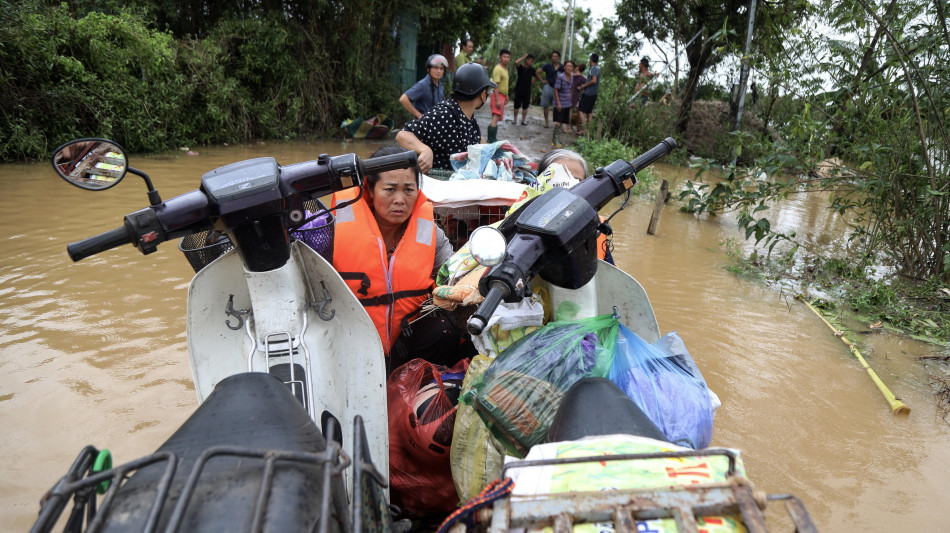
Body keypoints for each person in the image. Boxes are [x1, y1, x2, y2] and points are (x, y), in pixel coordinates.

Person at [331, 146, 471, 372]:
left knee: (444, 332)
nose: (400, 200)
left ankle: (416, 390)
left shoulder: (428, 233)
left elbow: (456, 272)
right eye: (389, 189)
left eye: (408, 189)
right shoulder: (333, 227)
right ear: (370, 189)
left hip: (405, 336)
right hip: (349, 335)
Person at [396, 62, 495, 174]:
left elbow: (477, 140)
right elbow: (403, 135)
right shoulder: (445, 115)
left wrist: (497, 149)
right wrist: (425, 150)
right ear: (482, 94)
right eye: (489, 92)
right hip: (438, 184)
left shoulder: (468, 115)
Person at [536, 149, 614, 264]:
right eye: (561, 179)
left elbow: (610, 276)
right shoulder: (521, 222)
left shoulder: (598, 226)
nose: (570, 186)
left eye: (577, 180)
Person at [399, 54, 448, 119]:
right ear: (428, 69)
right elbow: (403, 99)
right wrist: (419, 115)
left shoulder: (440, 85)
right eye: (436, 68)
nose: (439, 71)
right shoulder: (423, 85)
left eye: (441, 69)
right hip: (424, 124)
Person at [488, 49, 511, 143]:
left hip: (502, 95)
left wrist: (507, 96)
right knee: (495, 117)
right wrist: (497, 100)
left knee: (496, 118)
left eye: (508, 57)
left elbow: (504, 84)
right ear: (500, 58)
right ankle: (491, 139)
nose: (506, 59)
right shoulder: (498, 69)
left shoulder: (505, 69)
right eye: (504, 57)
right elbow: (495, 85)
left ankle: (493, 138)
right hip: (497, 95)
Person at [535, 51, 563, 128]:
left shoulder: (562, 67)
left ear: (558, 57)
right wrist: (542, 81)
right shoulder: (548, 65)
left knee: (557, 106)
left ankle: (556, 123)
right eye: (553, 56)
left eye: (555, 56)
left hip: (557, 89)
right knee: (545, 105)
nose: (554, 58)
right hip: (548, 87)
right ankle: (547, 122)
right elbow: (537, 72)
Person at [552, 60, 574, 147]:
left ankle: (557, 139)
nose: (569, 68)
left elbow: (571, 88)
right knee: (559, 122)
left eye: (571, 66)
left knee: (563, 121)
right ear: (564, 67)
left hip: (567, 103)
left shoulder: (571, 77)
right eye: (567, 66)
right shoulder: (561, 77)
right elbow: (556, 90)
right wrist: (558, 103)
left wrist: (570, 97)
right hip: (560, 103)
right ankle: (554, 140)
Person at [577, 53, 600, 133]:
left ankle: (585, 130)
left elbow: (594, 80)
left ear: (591, 60)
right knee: (589, 113)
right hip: (594, 94)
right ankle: (589, 131)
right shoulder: (597, 68)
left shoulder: (593, 68)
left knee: (580, 111)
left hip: (589, 93)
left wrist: (584, 86)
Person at [512, 53, 535, 126]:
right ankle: (515, 119)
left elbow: (536, 76)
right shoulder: (521, 67)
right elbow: (516, 62)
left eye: (532, 61)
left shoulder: (532, 70)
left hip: (527, 90)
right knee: (516, 105)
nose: (531, 62)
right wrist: (523, 57)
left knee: (525, 106)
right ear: (526, 60)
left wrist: (532, 82)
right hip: (519, 89)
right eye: (530, 60)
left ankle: (523, 120)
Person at [570, 63, 587, 132]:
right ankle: (577, 128)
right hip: (578, 96)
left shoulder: (579, 77)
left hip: (576, 95)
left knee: (574, 111)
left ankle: (573, 127)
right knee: (578, 112)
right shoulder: (583, 77)